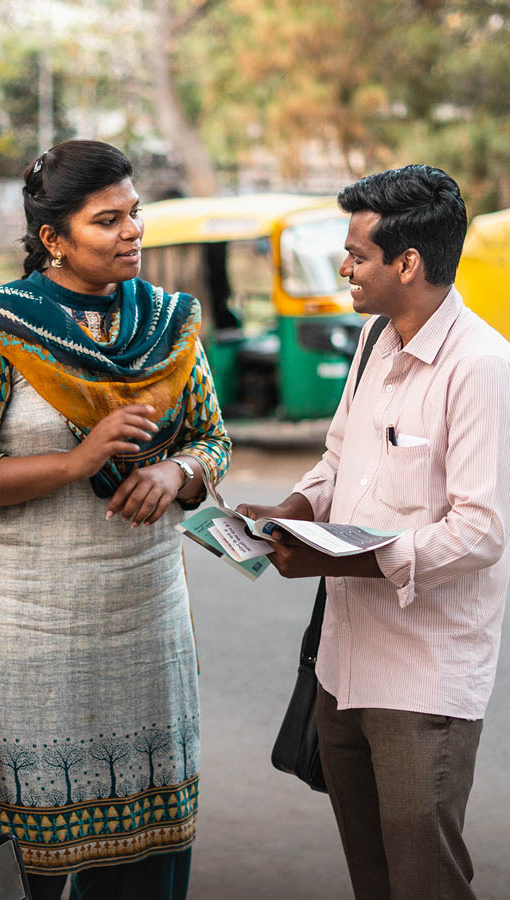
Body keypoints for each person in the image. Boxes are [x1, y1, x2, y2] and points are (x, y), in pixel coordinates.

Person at [0, 139, 230, 900]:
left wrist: (177, 471)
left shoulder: (170, 324)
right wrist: (75, 461)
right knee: (27, 851)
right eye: (107, 220)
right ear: (53, 238)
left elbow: (211, 440)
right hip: (31, 631)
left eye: (134, 215)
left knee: (143, 853)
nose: (133, 233)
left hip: (145, 621)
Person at [238, 165, 510, 900]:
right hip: (342, 669)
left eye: (357, 254)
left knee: (426, 884)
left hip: (423, 682)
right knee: (375, 882)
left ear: (408, 263)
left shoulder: (480, 366)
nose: (344, 267)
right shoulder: (372, 344)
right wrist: (292, 511)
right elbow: (337, 456)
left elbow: (482, 533)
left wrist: (350, 563)